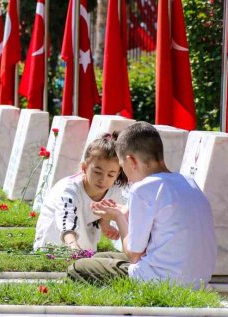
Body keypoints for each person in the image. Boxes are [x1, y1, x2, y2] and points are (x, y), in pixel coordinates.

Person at [67, 121, 216, 289]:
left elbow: (134, 255)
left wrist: (118, 216)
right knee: (97, 258)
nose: (126, 176)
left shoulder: (143, 188)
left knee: (77, 268)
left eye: (122, 167)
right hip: (198, 280)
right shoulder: (189, 182)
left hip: (160, 281)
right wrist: (124, 211)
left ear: (131, 161)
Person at [33, 131, 128, 252]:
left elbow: (112, 211)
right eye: (97, 172)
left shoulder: (114, 191)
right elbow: (66, 219)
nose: (103, 180)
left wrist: (105, 224)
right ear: (84, 167)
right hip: (52, 241)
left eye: (111, 174)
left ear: (118, 174)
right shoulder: (69, 189)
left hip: (83, 244)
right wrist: (73, 245)